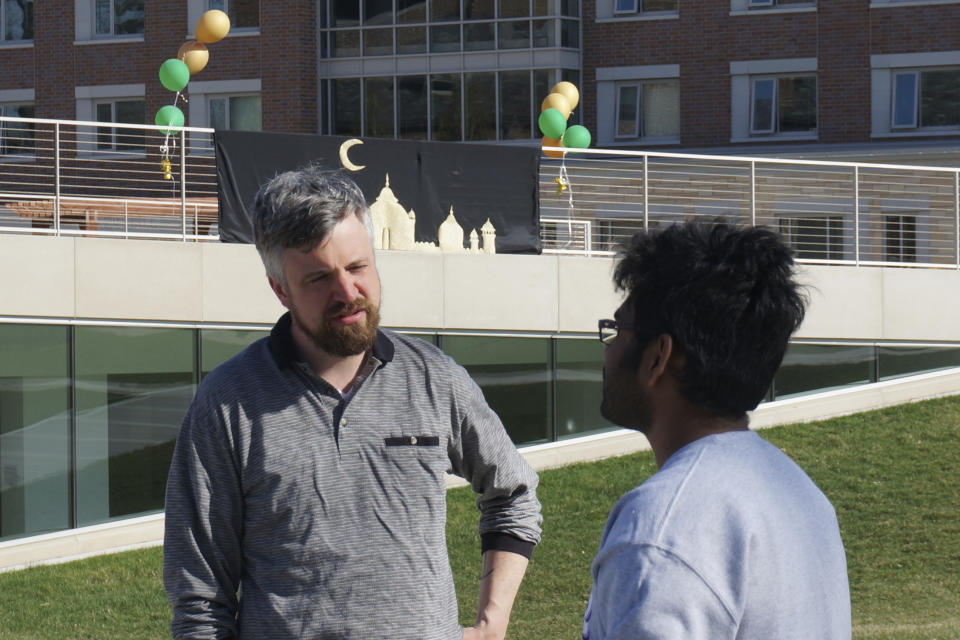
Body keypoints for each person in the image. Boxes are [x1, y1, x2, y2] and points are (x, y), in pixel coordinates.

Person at [163, 167, 542, 640]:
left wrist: (491, 624)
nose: (348, 293)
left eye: (358, 267)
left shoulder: (434, 379)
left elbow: (513, 493)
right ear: (280, 289)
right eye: (320, 278)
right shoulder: (228, 404)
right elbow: (200, 598)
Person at [582, 221, 851, 639]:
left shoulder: (662, 528)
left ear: (658, 357)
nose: (608, 350)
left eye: (617, 330)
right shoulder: (804, 498)